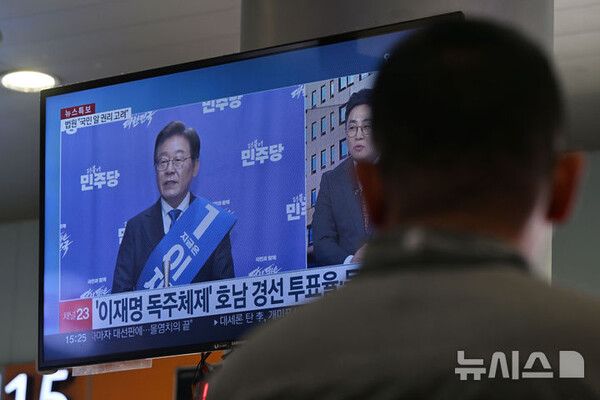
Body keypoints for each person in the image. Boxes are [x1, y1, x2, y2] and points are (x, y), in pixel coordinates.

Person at [208, 19, 600, 398]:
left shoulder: (253, 377)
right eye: (351, 128)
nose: (357, 134)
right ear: (564, 187)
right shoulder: (584, 351)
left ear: (372, 190)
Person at [112, 121, 234, 293]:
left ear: (195, 166)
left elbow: (226, 295)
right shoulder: (136, 228)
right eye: (163, 161)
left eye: (178, 160)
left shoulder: (212, 225)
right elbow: (120, 297)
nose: (169, 169)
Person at [313, 89, 377, 266]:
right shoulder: (331, 181)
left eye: (366, 127)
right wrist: (350, 262)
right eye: (352, 128)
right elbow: (322, 242)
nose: (358, 135)